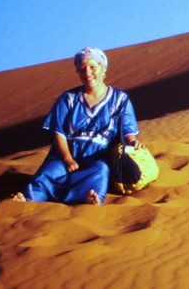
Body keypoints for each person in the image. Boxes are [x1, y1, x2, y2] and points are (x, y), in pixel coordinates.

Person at [14, 47, 141, 205]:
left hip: (98, 156)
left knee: (101, 171)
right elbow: (58, 132)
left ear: (103, 69)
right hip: (66, 155)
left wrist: (131, 141)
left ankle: (89, 200)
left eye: (93, 67)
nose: (87, 73)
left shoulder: (120, 99)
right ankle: (28, 199)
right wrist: (67, 159)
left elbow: (127, 129)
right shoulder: (68, 98)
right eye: (82, 69)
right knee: (50, 172)